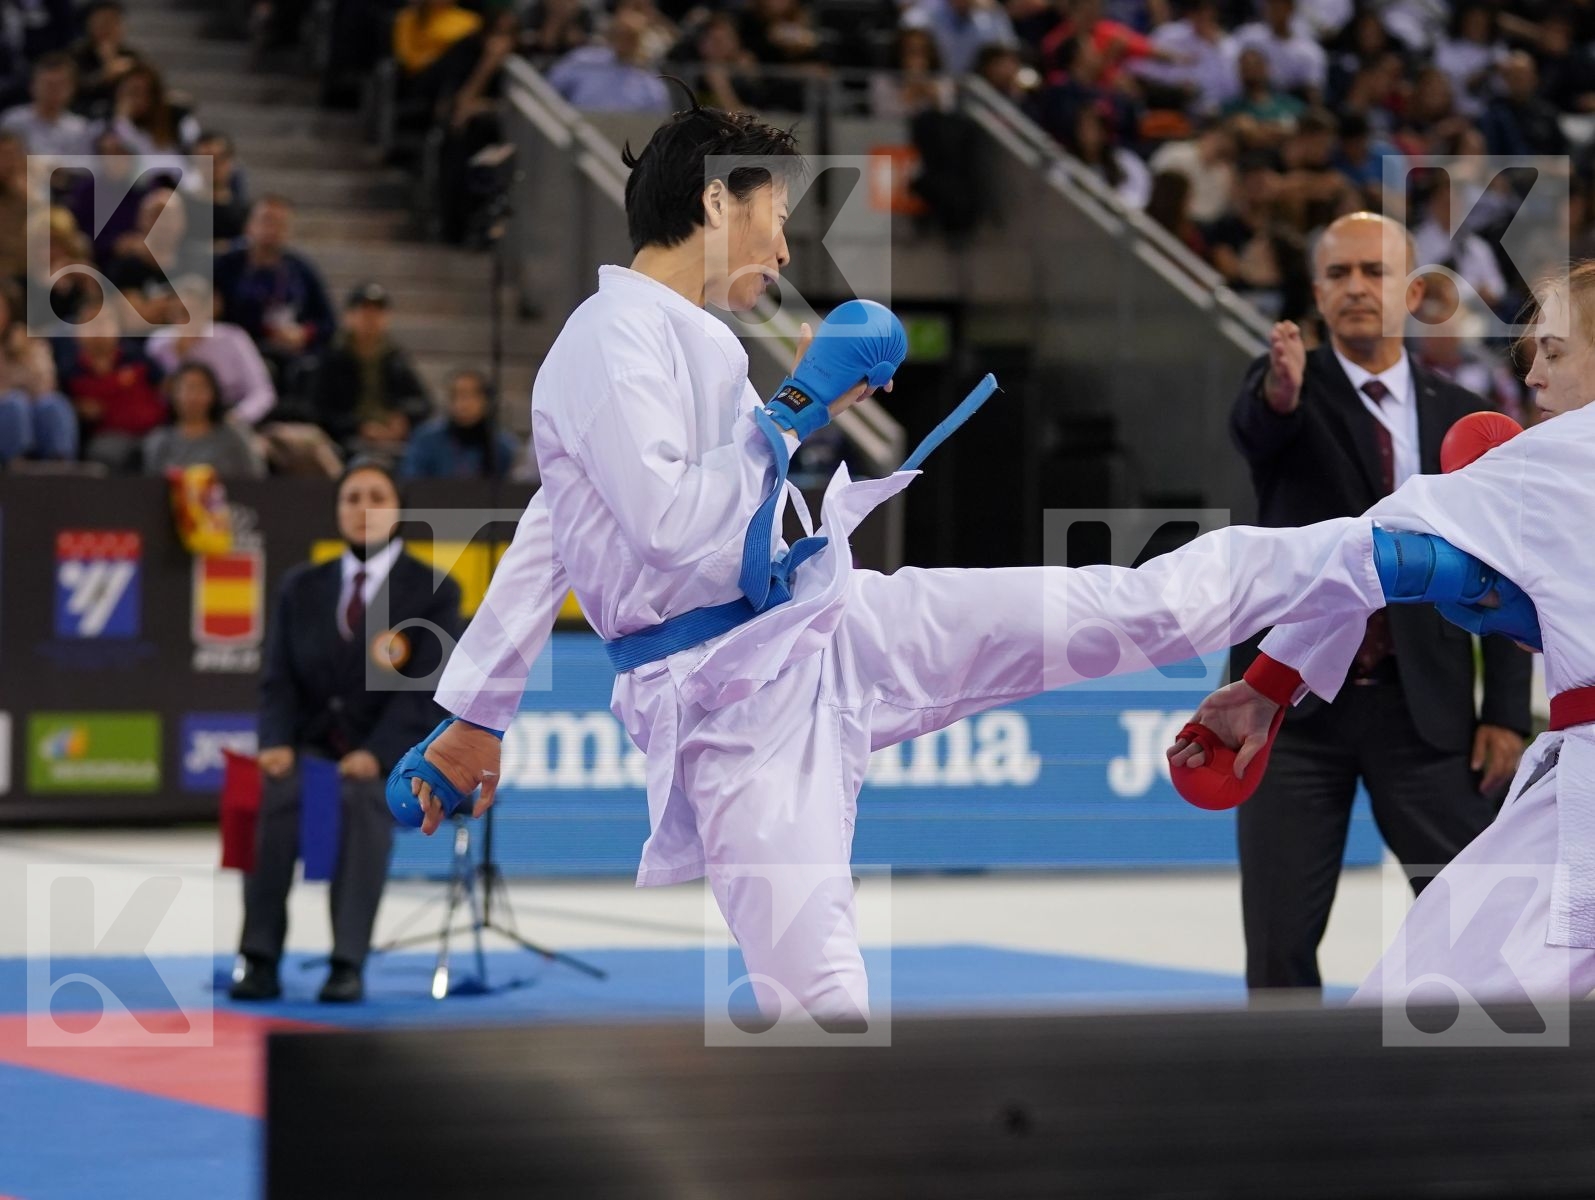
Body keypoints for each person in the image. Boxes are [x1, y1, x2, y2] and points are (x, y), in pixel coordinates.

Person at [391, 104, 1439, 1031]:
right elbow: (656, 525)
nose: (785, 246)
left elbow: (557, 523)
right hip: (730, 704)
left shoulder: (688, 339)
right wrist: (794, 409)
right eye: (775, 217)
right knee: (814, 995)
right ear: (715, 202)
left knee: (1118, 603)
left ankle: (1378, 550)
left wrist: (479, 711)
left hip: (828, 623)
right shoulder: (609, 336)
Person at [1172, 262, 1595, 1006]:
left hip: (1518, 765)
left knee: (1422, 1009)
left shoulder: (1546, 459)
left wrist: (1268, 682)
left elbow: (1370, 554)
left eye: (1553, 353)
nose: (1532, 376)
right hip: (1349, 724)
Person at [1227, 211, 1531, 994]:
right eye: (1338, 273)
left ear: (1412, 292)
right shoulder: (1287, 390)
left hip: (1424, 712)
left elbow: (1501, 564)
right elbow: (1257, 427)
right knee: (1278, 947)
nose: (1356, 287)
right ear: (1315, 292)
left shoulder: (1462, 414)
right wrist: (1277, 394)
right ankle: (1282, 1082)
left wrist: (1504, 712)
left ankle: (1486, 1074)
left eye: (1374, 271)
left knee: (1481, 930)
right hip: (1292, 714)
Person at [232, 459, 464, 1003]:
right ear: (337, 510)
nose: (363, 509)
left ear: (398, 510)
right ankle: (258, 958)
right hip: (311, 747)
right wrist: (275, 742)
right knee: (271, 793)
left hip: (393, 757)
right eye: (352, 498)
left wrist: (379, 754)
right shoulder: (301, 586)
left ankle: (346, 963)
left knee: (361, 800)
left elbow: (425, 692)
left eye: (376, 497)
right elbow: (278, 679)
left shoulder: (433, 589)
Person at [213, 195, 337, 389]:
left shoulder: (301, 270)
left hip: (289, 355)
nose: (272, 230)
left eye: (281, 224)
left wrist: (304, 333)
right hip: (237, 351)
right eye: (266, 220)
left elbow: (328, 321)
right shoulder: (224, 266)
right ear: (249, 225)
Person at [306, 283, 432, 462]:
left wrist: (402, 419)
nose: (371, 318)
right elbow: (319, 411)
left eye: (377, 312)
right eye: (365, 311)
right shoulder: (332, 358)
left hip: (392, 439)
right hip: (346, 442)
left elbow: (423, 403)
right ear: (349, 316)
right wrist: (359, 427)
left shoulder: (396, 359)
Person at [61, 306, 166, 471]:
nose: (98, 330)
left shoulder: (138, 357)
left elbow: (166, 388)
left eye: (104, 322)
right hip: (108, 438)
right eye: (90, 323)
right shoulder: (70, 370)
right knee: (104, 452)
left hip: (153, 433)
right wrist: (78, 408)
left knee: (160, 447)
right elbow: (64, 406)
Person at [143, 362, 267, 480]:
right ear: (173, 394)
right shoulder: (159, 440)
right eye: (187, 388)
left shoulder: (235, 436)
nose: (193, 396)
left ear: (213, 393)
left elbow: (257, 478)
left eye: (201, 388)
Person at [0, 280, 76, 463]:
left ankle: (59, 465)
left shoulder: (31, 344)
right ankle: (16, 465)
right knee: (14, 404)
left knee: (54, 404)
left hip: (32, 410)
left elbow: (46, 385)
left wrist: (24, 356)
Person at [400, 369, 517, 479]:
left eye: (469, 395)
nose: (462, 404)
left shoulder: (501, 445)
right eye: (455, 395)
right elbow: (411, 479)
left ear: (486, 401)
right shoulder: (426, 439)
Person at [0, 52, 94, 157]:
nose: (53, 91)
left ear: (72, 89)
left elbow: (86, 164)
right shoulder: (12, 121)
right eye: (48, 84)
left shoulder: (80, 129)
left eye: (60, 85)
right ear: (32, 86)